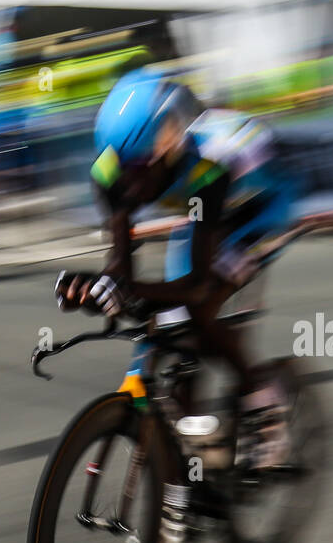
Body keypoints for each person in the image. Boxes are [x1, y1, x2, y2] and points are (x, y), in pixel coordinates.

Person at [55, 69, 301, 469]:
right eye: (121, 172)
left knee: (197, 310)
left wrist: (127, 290)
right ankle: (194, 463)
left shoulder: (206, 166)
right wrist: (98, 286)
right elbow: (121, 265)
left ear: (170, 148)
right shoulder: (108, 172)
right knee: (166, 326)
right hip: (205, 214)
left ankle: (263, 403)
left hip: (263, 208)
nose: (129, 187)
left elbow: (197, 287)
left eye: (140, 172)